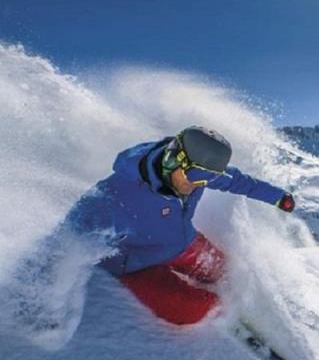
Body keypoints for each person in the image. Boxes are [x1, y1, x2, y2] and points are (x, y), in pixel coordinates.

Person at [66, 126, 295, 325]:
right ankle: (224, 320)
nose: (197, 184)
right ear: (173, 158)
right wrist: (40, 303)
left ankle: (242, 307)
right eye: (194, 175)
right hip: (137, 264)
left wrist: (277, 197)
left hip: (183, 243)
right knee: (193, 310)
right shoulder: (115, 195)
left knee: (227, 270)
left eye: (205, 179)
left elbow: (237, 180)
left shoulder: (196, 173)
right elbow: (67, 237)